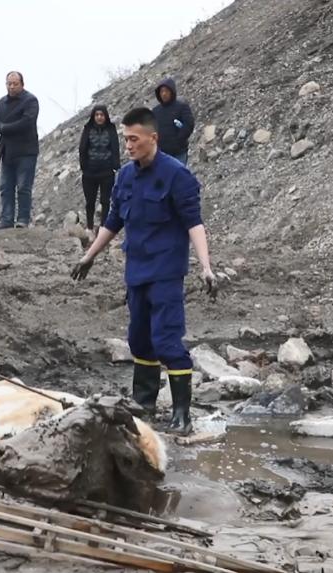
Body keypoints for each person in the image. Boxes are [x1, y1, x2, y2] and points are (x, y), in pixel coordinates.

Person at [70, 107, 217, 435]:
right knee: (139, 340)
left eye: (134, 139)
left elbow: (194, 222)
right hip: (136, 272)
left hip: (166, 272)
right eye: (125, 140)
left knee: (166, 342)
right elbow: (113, 222)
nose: (129, 146)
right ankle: (144, 404)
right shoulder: (124, 176)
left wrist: (206, 267)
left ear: (153, 138)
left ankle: (182, 414)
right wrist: (89, 256)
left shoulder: (177, 176)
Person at [0, 71, 39, 229]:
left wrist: (5, 128)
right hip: (7, 151)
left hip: (26, 151)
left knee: (23, 187)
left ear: (22, 84)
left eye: (15, 84)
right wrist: (2, 127)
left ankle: (23, 219)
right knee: (6, 187)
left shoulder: (30, 101)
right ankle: (7, 219)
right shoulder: (1, 102)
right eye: (9, 84)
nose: (11, 87)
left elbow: (26, 122)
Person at [77, 104, 120, 236]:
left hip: (107, 171)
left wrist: (115, 166)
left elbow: (115, 148)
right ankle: (89, 227)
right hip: (90, 172)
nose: (99, 117)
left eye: (102, 115)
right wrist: (84, 166)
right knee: (90, 201)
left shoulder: (111, 129)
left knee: (105, 201)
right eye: (97, 115)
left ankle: (103, 228)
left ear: (105, 116)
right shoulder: (88, 129)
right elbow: (82, 148)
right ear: (93, 116)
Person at [151, 78, 195, 166]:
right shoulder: (155, 111)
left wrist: (178, 140)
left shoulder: (181, 107)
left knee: (179, 178)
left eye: (166, 91)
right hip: (162, 155)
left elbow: (189, 124)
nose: (164, 94)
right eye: (162, 91)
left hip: (179, 153)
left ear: (172, 91)